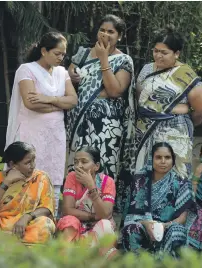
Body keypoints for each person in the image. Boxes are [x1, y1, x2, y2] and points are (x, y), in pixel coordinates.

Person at [121, 25, 202, 182]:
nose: (159, 56)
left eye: (164, 52)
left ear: (176, 53)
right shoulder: (147, 69)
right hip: (144, 130)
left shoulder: (186, 75)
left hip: (174, 132)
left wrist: (180, 120)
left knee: (173, 176)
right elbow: (139, 98)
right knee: (144, 174)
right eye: (156, 51)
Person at [5, 32, 78, 215]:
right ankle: (20, 222)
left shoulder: (62, 72)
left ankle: (48, 223)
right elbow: (31, 103)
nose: (61, 58)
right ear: (44, 51)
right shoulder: (26, 69)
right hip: (32, 132)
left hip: (55, 134)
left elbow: (73, 100)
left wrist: (48, 98)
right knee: (28, 176)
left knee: (52, 179)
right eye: (57, 53)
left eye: (63, 54)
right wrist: (59, 105)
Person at [66, 14, 135, 189]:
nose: (105, 34)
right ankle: (74, 205)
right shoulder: (82, 54)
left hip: (105, 126)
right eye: (102, 30)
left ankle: (101, 206)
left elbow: (114, 91)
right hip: (78, 121)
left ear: (119, 36)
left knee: (102, 163)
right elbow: (67, 82)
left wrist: (104, 59)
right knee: (78, 163)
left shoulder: (123, 60)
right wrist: (70, 78)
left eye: (111, 31)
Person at [0, 142, 55, 246]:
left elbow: (46, 208)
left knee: (45, 223)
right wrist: (6, 182)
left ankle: (6, 246)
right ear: (12, 164)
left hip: (27, 226)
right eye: (27, 163)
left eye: (33, 160)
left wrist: (27, 217)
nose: (32, 166)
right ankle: (11, 247)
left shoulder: (41, 178)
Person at [119, 142, 194, 258]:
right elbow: (132, 215)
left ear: (173, 160)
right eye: (158, 157)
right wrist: (147, 224)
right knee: (131, 229)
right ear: (151, 159)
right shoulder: (139, 180)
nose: (163, 161)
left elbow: (183, 218)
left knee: (177, 231)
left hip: (168, 228)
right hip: (143, 226)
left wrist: (164, 226)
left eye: (167, 157)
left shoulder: (181, 183)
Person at [57, 146, 117, 259]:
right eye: (76, 162)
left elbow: (105, 215)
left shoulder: (107, 182)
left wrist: (91, 186)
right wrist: (93, 216)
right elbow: (67, 210)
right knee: (69, 220)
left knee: (105, 224)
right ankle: (64, 259)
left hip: (98, 229)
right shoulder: (72, 177)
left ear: (96, 166)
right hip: (77, 228)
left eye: (84, 162)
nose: (78, 165)